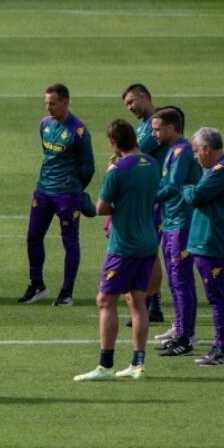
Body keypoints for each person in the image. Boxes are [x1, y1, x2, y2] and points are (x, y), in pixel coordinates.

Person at [74, 120, 160, 382]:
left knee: (105, 300)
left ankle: (106, 365)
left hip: (124, 246)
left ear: (113, 142)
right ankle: (137, 363)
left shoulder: (117, 171)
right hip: (148, 241)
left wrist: (111, 170)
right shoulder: (152, 164)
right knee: (137, 300)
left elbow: (101, 208)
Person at [23, 83, 95, 306]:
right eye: (46, 103)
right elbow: (49, 157)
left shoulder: (79, 131)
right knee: (33, 236)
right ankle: (37, 284)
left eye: (52, 103)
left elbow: (88, 168)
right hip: (43, 190)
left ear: (65, 102)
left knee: (69, 241)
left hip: (67, 194)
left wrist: (73, 188)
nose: (48, 108)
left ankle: (66, 292)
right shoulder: (44, 125)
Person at [184, 127, 224, 367]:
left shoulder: (222, 170)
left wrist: (185, 188)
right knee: (215, 297)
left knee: (217, 298)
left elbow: (196, 197)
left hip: (213, 244)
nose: (196, 156)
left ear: (207, 149)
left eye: (197, 151)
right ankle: (219, 346)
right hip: (207, 243)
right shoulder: (217, 170)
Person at [151, 108, 202, 356]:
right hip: (171, 220)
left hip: (181, 222)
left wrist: (146, 197)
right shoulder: (173, 151)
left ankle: (186, 336)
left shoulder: (181, 151)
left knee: (181, 279)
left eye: (157, 128)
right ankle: (180, 329)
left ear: (172, 128)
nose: (154, 133)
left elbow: (172, 185)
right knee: (174, 279)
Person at [122, 84, 168, 322]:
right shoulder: (143, 126)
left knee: (149, 250)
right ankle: (152, 302)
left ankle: (153, 303)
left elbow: (133, 154)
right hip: (146, 195)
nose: (130, 108)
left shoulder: (156, 124)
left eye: (131, 102)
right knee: (149, 250)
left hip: (155, 195)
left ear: (143, 96)